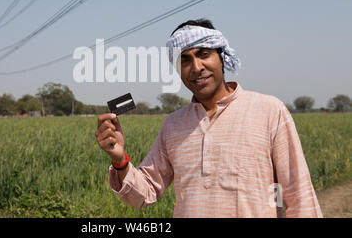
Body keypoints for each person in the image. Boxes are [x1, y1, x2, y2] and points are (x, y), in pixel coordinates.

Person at [95, 18, 323, 218]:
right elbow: (144, 194)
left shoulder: (269, 111)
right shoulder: (173, 125)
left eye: (204, 54)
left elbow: (298, 194)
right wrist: (120, 160)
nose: (196, 67)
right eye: (185, 60)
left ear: (222, 58)